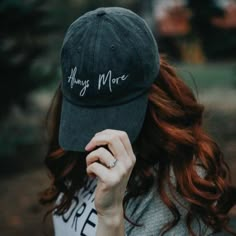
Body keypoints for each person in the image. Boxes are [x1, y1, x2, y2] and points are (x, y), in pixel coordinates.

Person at [40, 7, 236, 236]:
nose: (95, 135)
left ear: (152, 94)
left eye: (111, 113)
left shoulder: (177, 192)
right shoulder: (72, 161)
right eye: (87, 115)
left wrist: (111, 217)